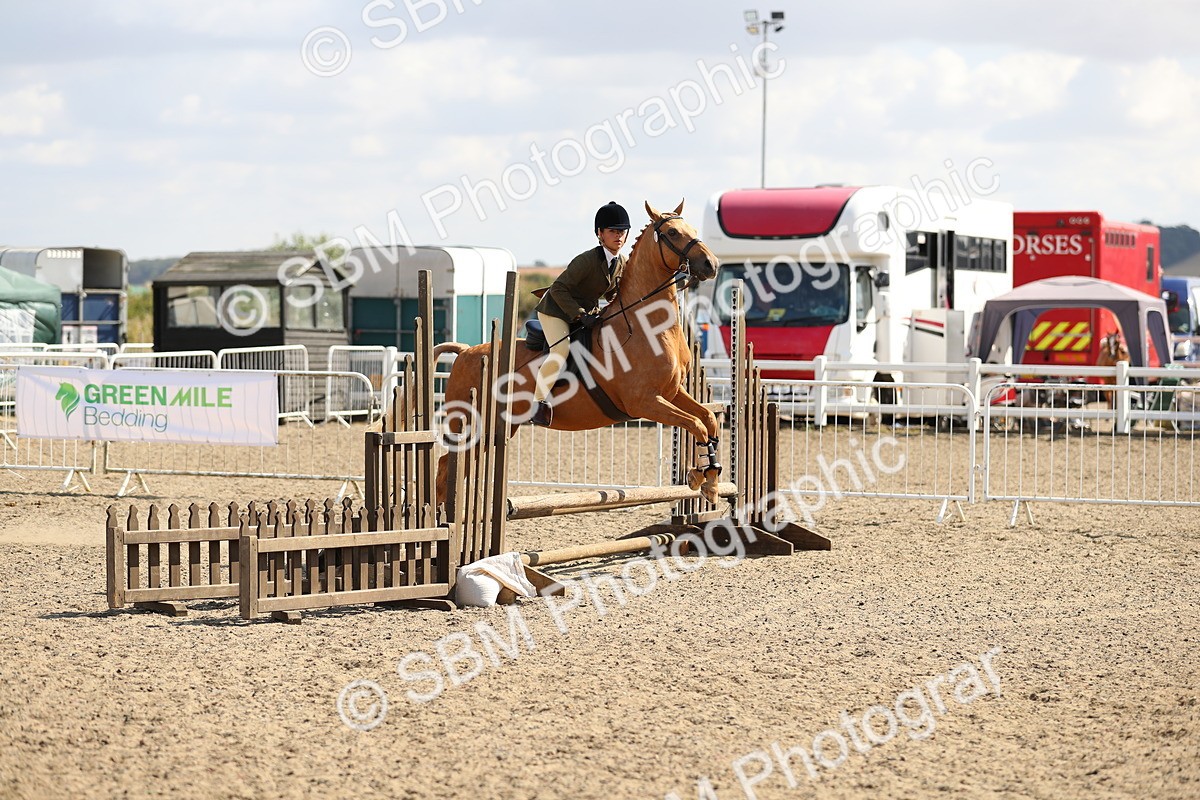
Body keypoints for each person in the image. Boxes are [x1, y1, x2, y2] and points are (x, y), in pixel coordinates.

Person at [529, 201, 630, 426]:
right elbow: (558, 289)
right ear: (599, 234)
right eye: (613, 231)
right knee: (561, 350)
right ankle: (538, 403)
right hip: (555, 309)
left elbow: (613, 291)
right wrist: (580, 315)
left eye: (622, 231)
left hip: (585, 310)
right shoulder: (587, 260)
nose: (619, 236)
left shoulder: (621, 262)